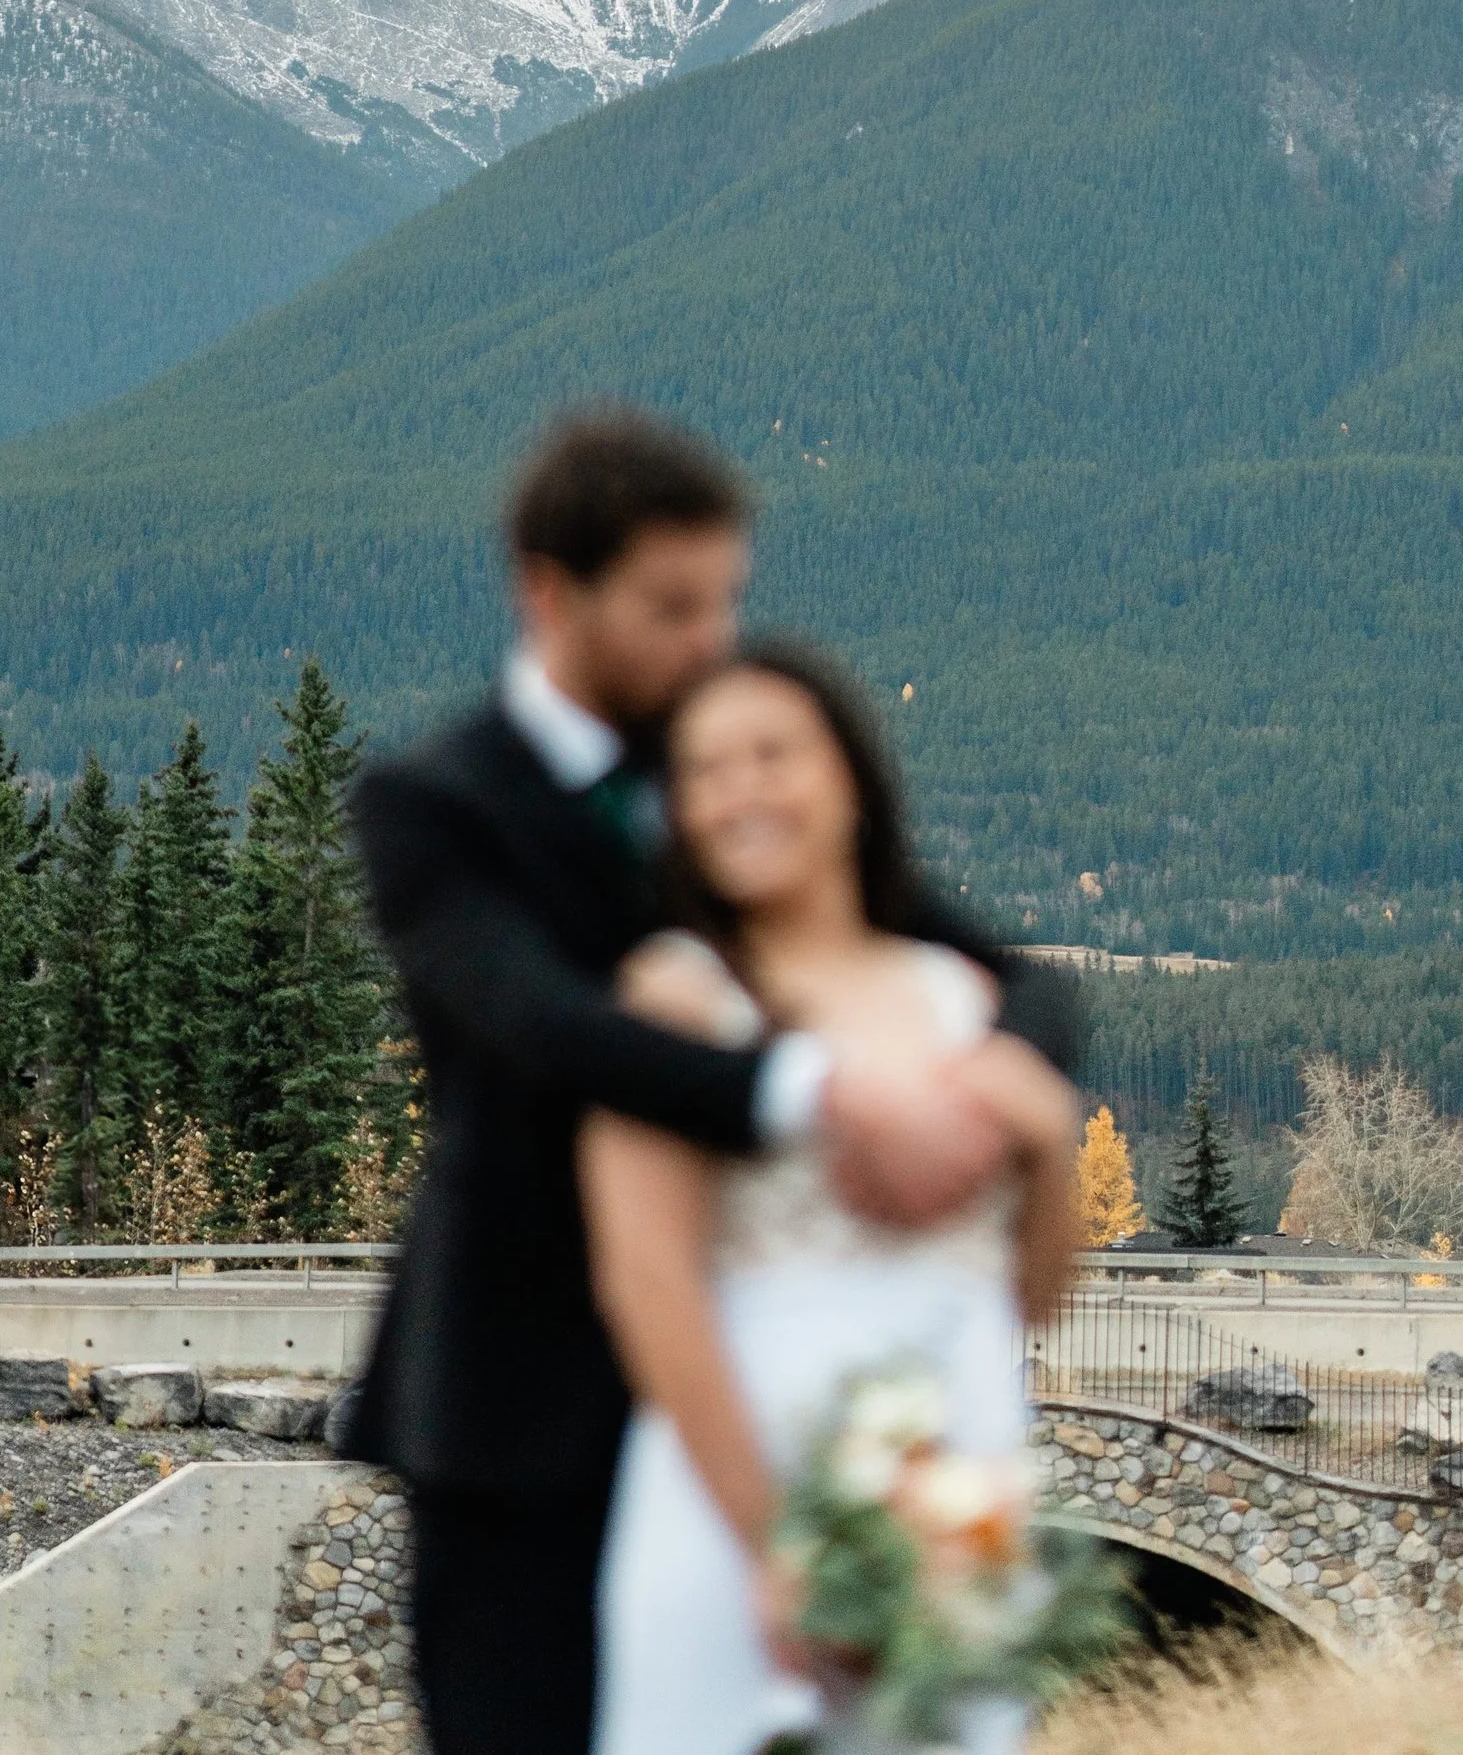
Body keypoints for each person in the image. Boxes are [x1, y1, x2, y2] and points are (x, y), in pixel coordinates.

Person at [348, 412, 1077, 1755]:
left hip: (767, 1395)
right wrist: (824, 1089)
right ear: (551, 590)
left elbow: (1009, 978)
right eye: (673, 606)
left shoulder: (739, 779)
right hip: (527, 1406)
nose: (710, 640)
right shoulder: (435, 803)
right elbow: (547, 1025)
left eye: (726, 600)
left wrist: (1000, 1083)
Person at [582, 643, 1081, 1755]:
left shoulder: (961, 998)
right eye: (705, 770)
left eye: (773, 754)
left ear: (851, 777)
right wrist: (772, 1544)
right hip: (740, 1481)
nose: (740, 790)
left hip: (957, 1480)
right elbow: (647, 1282)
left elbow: (1035, 1296)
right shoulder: (673, 998)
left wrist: (1050, 1144)